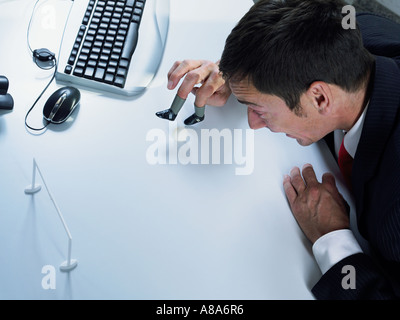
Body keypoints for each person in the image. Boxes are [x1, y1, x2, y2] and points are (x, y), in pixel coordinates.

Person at [167, 0, 400, 299]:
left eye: (259, 109)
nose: (252, 123)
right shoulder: (351, 31)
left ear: (319, 99)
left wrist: (334, 238)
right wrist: (237, 78)